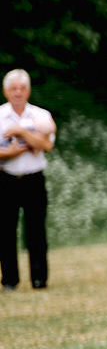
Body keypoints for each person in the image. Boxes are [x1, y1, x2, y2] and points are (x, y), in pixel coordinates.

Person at [0, 68, 55, 291]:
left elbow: (47, 145)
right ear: (6, 91)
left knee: (36, 230)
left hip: (33, 179)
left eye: (22, 88)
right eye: (14, 88)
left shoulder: (40, 115)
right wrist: (20, 150)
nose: (18, 92)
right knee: (5, 230)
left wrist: (21, 133)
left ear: (29, 91)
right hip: (6, 179)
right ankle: (10, 280)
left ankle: (39, 278)